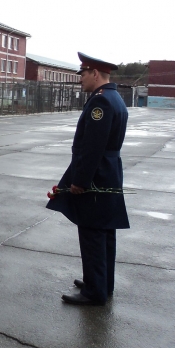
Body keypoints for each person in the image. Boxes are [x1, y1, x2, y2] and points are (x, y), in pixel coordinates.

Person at [47, 52, 129, 306]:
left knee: (93, 232)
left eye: (82, 74)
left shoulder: (101, 103)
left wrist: (80, 181)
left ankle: (94, 292)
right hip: (110, 171)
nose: (80, 79)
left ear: (94, 73)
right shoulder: (115, 98)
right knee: (105, 232)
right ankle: (102, 282)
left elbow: (92, 147)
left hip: (97, 176)